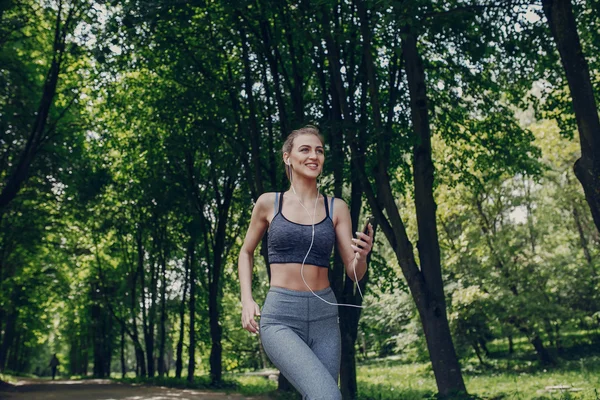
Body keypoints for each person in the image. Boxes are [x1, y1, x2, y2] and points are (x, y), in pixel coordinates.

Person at [238, 126, 374, 399]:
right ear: (287, 157)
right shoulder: (269, 203)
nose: (314, 156)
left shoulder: (337, 207)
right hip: (281, 318)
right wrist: (246, 299)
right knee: (328, 396)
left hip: (325, 317)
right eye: (305, 149)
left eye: (319, 151)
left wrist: (361, 256)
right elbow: (246, 252)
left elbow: (354, 273)